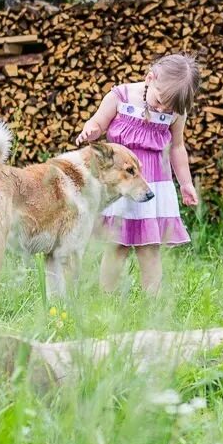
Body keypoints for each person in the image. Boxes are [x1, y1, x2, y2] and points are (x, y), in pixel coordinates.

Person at [76, 53, 201, 294]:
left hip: (153, 184)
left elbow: (177, 147)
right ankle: (106, 299)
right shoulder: (120, 97)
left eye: (170, 107)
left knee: (150, 247)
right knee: (117, 244)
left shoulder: (175, 112)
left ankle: (151, 303)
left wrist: (186, 183)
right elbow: (98, 123)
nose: (163, 109)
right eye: (160, 100)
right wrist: (91, 130)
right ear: (149, 78)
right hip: (121, 184)